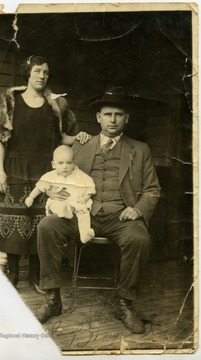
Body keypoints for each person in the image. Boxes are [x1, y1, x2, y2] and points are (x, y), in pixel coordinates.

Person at [36, 86, 161, 334]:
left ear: (127, 118)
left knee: (139, 237)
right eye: (107, 114)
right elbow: (57, 174)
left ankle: (126, 304)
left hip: (120, 216)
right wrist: (51, 192)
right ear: (98, 117)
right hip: (84, 213)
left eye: (118, 114)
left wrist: (137, 209)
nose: (112, 119)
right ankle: (52, 299)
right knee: (47, 226)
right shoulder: (81, 146)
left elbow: (152, 189)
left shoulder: (141, 149)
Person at [0, 55, 91, 290]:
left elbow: (62, 138)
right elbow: (0, 141)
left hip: (45, 172)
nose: (42, 76)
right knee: (11, 220)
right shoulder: (9, 102)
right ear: (28, 74)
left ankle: (34, 275)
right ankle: (12, 275)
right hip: (14, 169)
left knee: (39, 221)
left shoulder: (56, 105)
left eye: (46, 72)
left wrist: (79, 137)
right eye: (37, 71)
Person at [25, 145, 96, 243]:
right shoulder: (50, 176)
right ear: (54, 165)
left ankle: (85, 234)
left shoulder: (80, 175)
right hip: (59, 203)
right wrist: (31, 197)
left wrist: (85, 197)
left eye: (69, 163)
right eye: (61, 163)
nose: (65, 166)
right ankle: (64, 211)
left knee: (84, 214)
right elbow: (39, 187)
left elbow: (90, 187)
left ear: (74, 164)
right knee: (54, 204)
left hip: (76, 203)